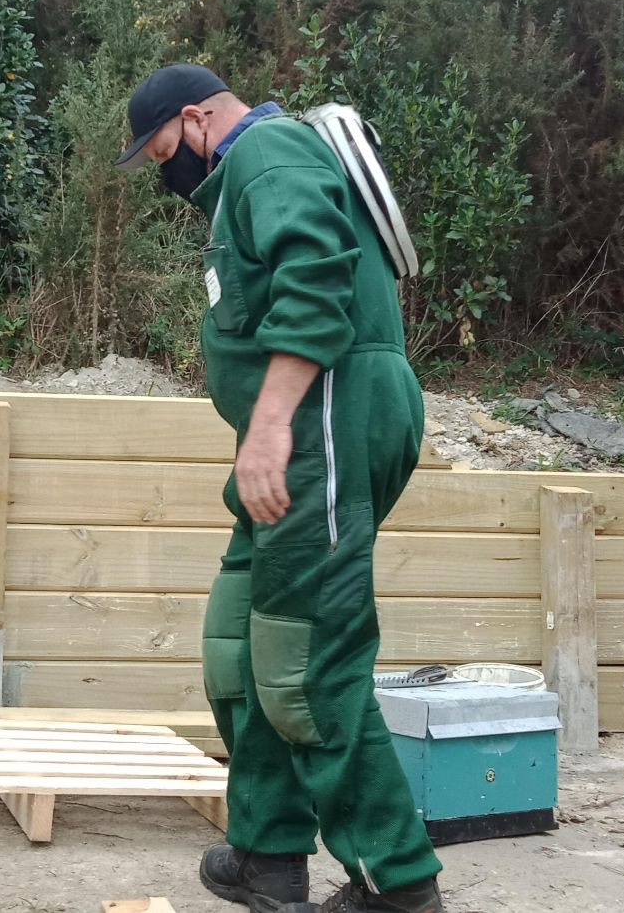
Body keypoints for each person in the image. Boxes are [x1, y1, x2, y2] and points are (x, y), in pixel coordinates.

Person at [117, 65, 442, 913]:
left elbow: (317, 281)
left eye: (161, 153)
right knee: (238, 642)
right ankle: (268, 853)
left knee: (306, 661)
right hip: (302, 430)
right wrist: (260, 431)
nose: (164, 175)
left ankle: (398, 883)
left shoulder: (268, 150)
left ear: (195, 119)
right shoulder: (245, 178)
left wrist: (270, 428)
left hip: (326, 421)